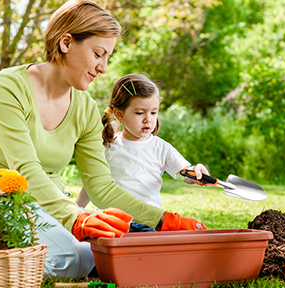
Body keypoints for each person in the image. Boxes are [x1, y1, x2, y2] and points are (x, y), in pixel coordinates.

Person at [0, 0, 206, 279]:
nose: (104, 67)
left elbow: (102, 187)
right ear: (66, 43)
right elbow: (25, 170)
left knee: (107, 250)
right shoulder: (8, 88)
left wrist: (163, 220)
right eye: (98, 54)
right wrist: (76, 218)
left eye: (107, 57)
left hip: (49, 204)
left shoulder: (84, 108)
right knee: (75, 258)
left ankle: (23, 251)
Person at [76, 74, 210, 220]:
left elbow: (186, 173)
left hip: (147, 221)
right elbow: (94, 184)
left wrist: (197, 172)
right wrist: (77, 206)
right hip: (111, 220)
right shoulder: (108, 147)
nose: (148, 119)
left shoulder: (161, 148)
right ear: (119, 115)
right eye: (140, 113)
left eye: (153, 112)